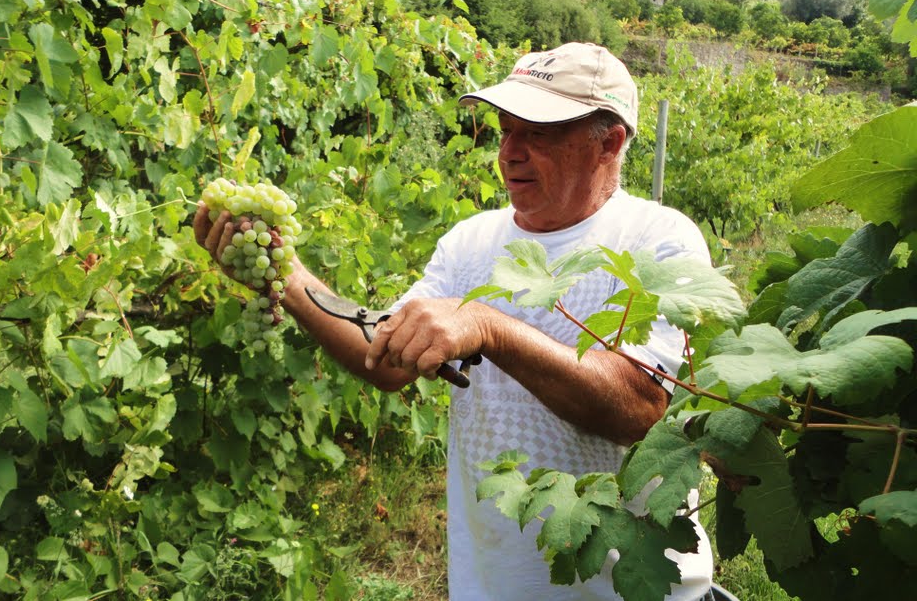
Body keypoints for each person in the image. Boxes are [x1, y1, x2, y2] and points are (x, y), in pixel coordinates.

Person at [193, 42, 715, 601]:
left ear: (607, 143)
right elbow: (388, 355)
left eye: (535, 134)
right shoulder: (470, 243)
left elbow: (640, 407)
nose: (509, 153)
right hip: (493, 586)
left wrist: (490, 328)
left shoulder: (658, 241)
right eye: (504, 131)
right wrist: (289, 280)